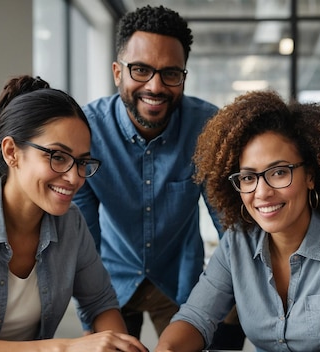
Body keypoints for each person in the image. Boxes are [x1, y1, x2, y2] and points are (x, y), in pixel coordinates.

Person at [0, 75, 147, 352]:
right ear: (11, 152)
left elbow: (100, 304)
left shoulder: (71, 224)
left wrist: (118, 346)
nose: (74, 177)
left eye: (82, 162)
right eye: (58, 156)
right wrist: (63, 348)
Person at [155, 90, 320, 352]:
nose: (262, 192)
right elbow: (194, 318)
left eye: (278, 172)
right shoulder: (237, 242)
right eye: (248, 178)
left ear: (310, 175)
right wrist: (167, 349)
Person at [72, 5, 245, 347]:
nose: (155, 86)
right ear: (117, 72)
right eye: (140, 70)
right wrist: (90, 317)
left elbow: (229, 224)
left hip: (182, 280)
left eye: (170, 73)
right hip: (110, 282)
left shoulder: (207, 128)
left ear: (183, 75)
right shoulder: (86, 131)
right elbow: (82, 239)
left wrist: (229, 298)